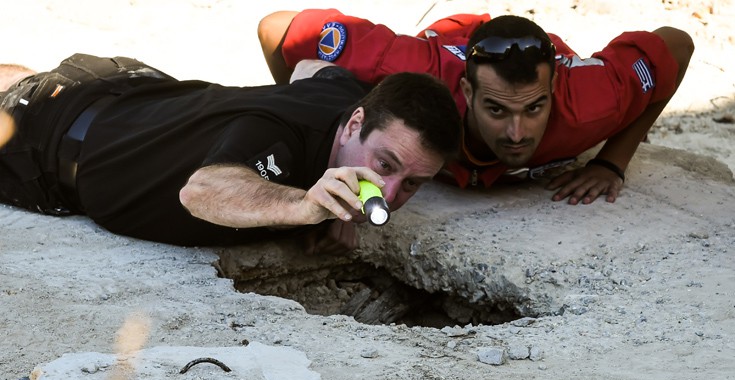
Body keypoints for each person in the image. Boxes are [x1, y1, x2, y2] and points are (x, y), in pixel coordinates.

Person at [0, 54, 461, 253]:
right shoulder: (274, 133)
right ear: (356, 124)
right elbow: (202, 190)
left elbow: (312, 68)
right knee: (23, 90)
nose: (391, 191)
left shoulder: (347, 98)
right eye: (385, 165)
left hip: (133, 88)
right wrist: (304, 205)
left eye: (413, 183)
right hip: (49, 141)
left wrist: (345, 195)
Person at [258, 10, 694, 204]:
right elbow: (277, 29)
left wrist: (612, 162)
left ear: (556, 88)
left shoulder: (592, 101)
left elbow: (678, 43)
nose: (518, 134)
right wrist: (331, 158)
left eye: (535, 108)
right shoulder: (405, 71)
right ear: (465, 93)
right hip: (446, 43)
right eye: (497, 110)